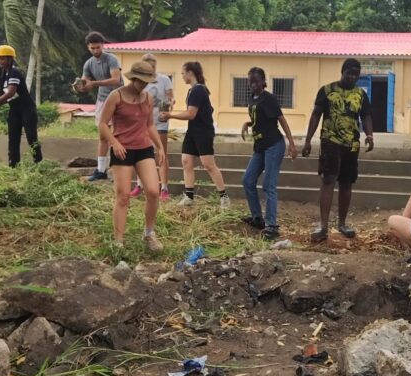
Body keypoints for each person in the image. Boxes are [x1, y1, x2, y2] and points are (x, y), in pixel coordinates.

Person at [301, 58, 374, 242]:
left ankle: (342, 223)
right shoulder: (327, 90)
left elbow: (366, 116)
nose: (352, 77)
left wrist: (370, 135)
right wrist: (308, 140)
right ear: (342, 72)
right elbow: (316, 114)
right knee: (328, 180)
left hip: (351, 144)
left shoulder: (361, 95)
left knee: (346, 182)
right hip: (330, 141)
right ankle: (323, 226)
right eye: (349, 73)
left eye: (356, 75)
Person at [98, 61, 166, 251]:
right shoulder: (116, 96)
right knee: (123, 196)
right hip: (123, 150)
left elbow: (150, 125)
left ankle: (149, 233)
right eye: (141, 82)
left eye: (147, 82)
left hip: (143, 148)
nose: (144, 85)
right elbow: (103, 124)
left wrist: (159, 147)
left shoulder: (148, 98)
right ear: (133, 78)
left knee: (153, 191)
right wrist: (115, 142)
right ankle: (118, 241)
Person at [159, 61, 229, 208]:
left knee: (208, 164)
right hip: (193, 131)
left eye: (183, 73)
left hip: (203, 132)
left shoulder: (198, 90)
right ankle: (188, 196)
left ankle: (224, 197)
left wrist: (170, 116)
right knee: (186, 161)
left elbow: (191, 114)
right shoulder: (193, 91)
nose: (182, 76)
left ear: (190, 73)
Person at [240, 67, 298, 240]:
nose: (253, 84)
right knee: (247, 180)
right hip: (260, 146)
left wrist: (292, 144)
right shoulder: (252, 98)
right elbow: (260, 118)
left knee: (268, 185)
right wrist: (248, 124)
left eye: (256, 81)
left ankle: (272, 225)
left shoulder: (269, 98)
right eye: (250, 81)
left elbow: (281, 120)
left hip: (274, 145)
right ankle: (258, 218)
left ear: (263, 82)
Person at [0, 45, 43, 167]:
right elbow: (4, 96)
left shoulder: (14, 72)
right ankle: (13, 166)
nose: (0, 62)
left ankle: (39, 164)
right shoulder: (3, 75)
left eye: (3, 59)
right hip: (14, 110)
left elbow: (10, 92)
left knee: (31, 137)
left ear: (10, 59)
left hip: (27, 109)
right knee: (13, 138)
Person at [79, 32, 123, 182]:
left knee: (120, 134)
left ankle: (120, 167)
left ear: (103, 45)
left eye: (98, 47)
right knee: (103, 135)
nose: (96, 51)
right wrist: (79, 86)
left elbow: (116, 79)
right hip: (103, 100)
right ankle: (101, 170)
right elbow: (85, 82)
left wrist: (94, 84)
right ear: (88, 47)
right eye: (92, 48)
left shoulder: (112, 59)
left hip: (119, 98)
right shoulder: (89, 63)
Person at [134, 53, 174, 200]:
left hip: (160, 120)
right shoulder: (138, 80)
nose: (151, 69)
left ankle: (164, 188)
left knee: (161, 152)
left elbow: (170, 96)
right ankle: (139, 185)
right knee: (140, 152)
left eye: (153, 66)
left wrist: (170, 104)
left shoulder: (163, 79)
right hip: (142, 121)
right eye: (148, 67)